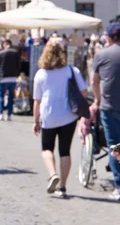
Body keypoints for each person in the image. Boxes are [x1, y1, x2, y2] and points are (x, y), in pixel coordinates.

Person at [32, 40, 87, 198]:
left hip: (49, 115)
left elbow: (37, 100)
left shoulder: (41, 73)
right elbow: (84, 92)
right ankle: (62, 186)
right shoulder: (71, 70)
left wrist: (35, 121)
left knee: (47, 148)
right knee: (65, 151)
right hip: (68, 115)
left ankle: (52, 174)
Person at [91, 23, 120, 201]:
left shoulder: (101, 55)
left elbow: (94, 81)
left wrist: (97, 99)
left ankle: (118, 185)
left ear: (108, 38)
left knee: (114, 145)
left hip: (109, 107)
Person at [0, 39, 21, 121]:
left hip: (3, 77)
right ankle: (9, 114)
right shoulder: (16, 53)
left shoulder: (0, 53)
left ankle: (1, 113)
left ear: (5, 44)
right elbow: (19, 64)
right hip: (13, 78)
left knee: (1, 96)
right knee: (11, 97)